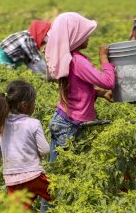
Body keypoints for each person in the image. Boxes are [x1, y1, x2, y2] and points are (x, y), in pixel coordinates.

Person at [45, 12, 116, 162]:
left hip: (63, 120)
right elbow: (108, 81)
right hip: (70, 124)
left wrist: (100, 94)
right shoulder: (78, 62)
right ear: (74, 37)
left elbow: (77, 90)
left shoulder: (68, 58)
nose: (88, 35)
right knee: (65, 169)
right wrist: (104, 58)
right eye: (84, 33)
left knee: (57, 169)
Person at [0, 80, 52, 210]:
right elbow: (45, 150)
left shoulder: (0, 123)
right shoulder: (33, 123)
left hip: (11, 179)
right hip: (34, 176)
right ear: (24, 105)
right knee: (62, 194)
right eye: (33, 103)